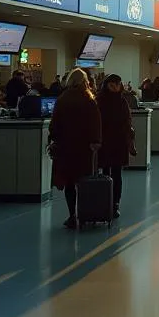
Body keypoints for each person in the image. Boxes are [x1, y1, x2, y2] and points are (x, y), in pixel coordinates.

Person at [48, 69, 102, 230]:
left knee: (70, 182)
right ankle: (85, 214)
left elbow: (55, 123)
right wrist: (96, 142)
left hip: (66, 147)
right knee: (84, 181)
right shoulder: (89, 99)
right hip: (84, 147)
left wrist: (54, 139)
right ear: (84, 81)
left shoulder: (62, 99)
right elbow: (96, 123)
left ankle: (72, 215)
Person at [97, 74, 135, 218]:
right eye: (112, 84)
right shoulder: (118, 101)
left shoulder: (105, 101)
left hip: (116, 142)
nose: (115, 87)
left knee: (116, 173)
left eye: (117, 84)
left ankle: (114, 203)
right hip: (109, 142)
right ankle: (108, 202)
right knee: (107, 173)